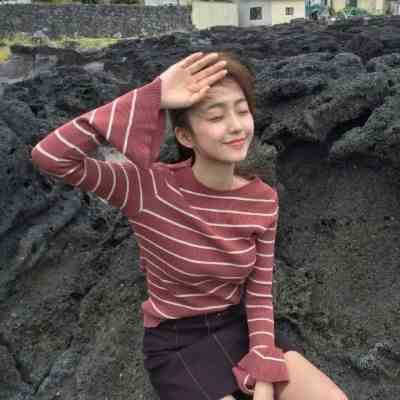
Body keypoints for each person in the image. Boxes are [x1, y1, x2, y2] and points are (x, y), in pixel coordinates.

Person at [30, 51, 348, 400]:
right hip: (176, 342)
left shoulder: (263, 199)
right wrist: (153, 95)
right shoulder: (147, 187)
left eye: (242, 111)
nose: (236, 126)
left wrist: (263, 368)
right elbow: (51, 156)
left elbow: (258, 294)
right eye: (216, 116)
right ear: (185, 136)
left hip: (238, 327)